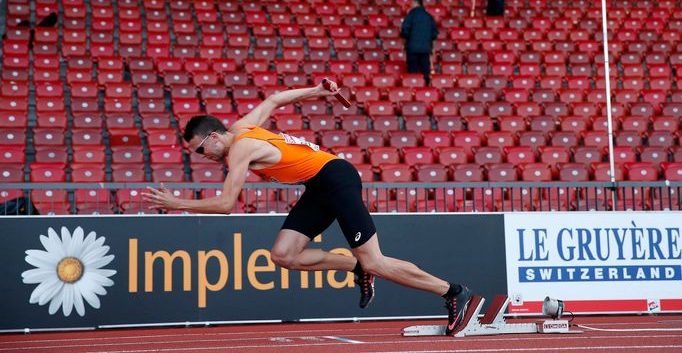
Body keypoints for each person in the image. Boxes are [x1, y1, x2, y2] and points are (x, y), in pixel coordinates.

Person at [142, 81, 473, 336]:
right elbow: (274, 100)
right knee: (283, 254)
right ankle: (356, 270)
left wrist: (177, 204)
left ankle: (452, 291)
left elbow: (227, 204)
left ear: (213, 137)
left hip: (336, 178)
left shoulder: (239, 148)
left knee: (375, 258)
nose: (203, 156)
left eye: (200, 150)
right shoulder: (241, 127)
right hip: (317, 185)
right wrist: (316, 90)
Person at [400, 0, 438, 86]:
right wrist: (433, 48)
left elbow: (405, 31)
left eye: (411, 3)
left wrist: (403, 44)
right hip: (425, 49)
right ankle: (425, 91)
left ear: (415, 3)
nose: (410, 5)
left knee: (412, 72)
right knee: (425, 72)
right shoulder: (429, 17)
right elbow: (434, 35)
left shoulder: (411, 15)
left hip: (412, 48)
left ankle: (413, 91)